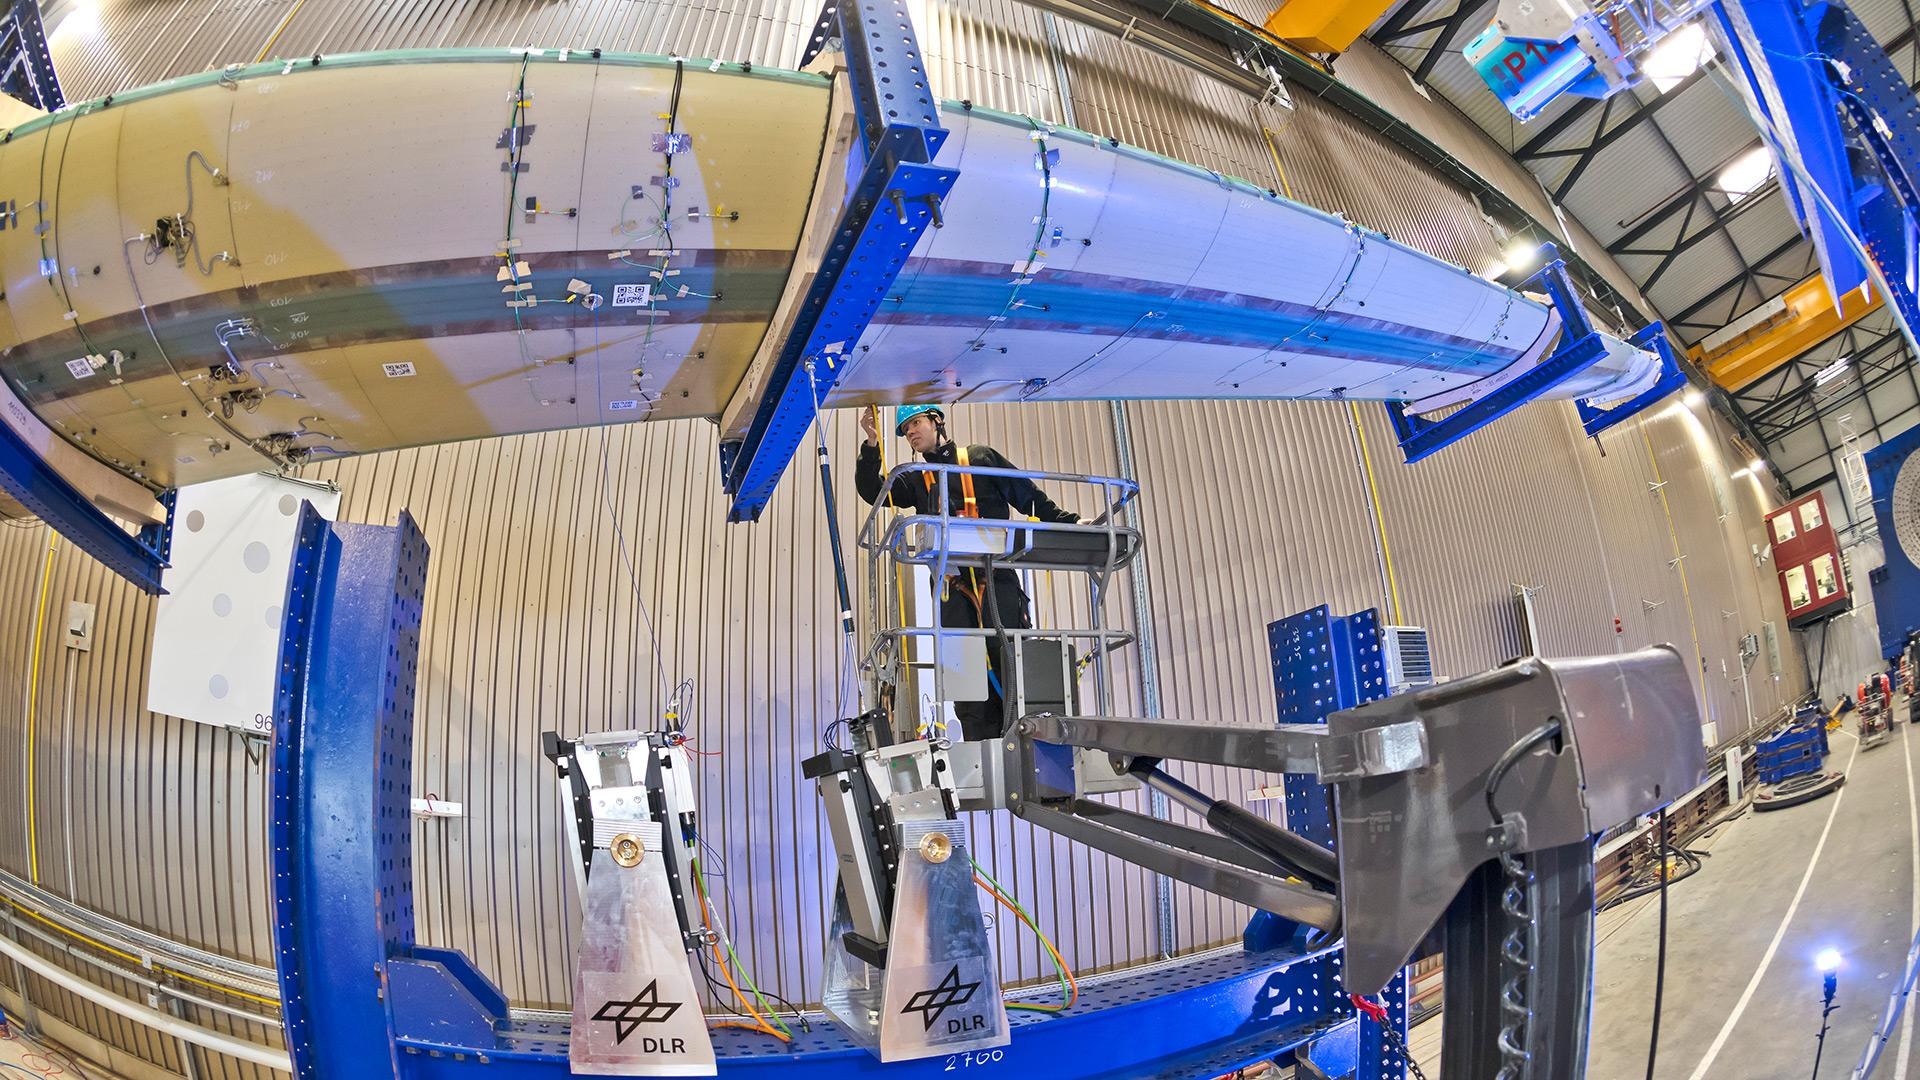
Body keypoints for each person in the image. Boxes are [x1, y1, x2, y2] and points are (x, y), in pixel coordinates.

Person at [855, 404, 1080, 741]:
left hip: (997, 582)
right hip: (952, 591)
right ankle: (981, 753)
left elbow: (1028, 497)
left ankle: (1030, 744)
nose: (911, 433)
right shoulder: (915, 478)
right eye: (905, 430)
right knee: (969, 687)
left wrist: (1071, 523)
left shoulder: (980, 458)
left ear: (937, 421)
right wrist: (872, 443)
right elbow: (872, 491)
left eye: (916, 423)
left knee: (1011, 667)